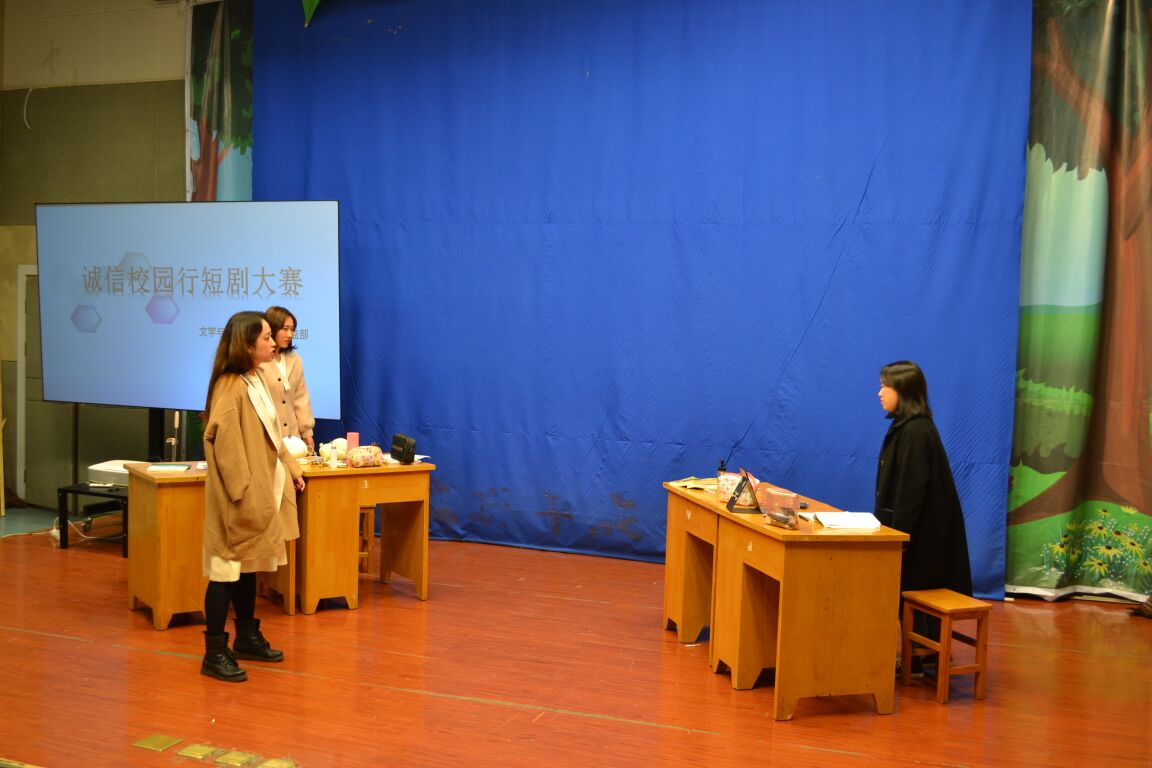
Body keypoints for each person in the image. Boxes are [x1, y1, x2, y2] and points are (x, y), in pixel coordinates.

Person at [200, 311, 306, 682]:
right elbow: (226, 446)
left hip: (259, 490)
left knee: (247, 565)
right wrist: (242, 492)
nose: (273, 342)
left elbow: (274, 435)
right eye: (265, 337)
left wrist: (291, 468)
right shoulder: (230, 386)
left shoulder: (256, 378)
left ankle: (246, 636)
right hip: (239, 498)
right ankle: (214, 652)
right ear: (247, 345)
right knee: (225, 570)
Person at [874, 361, 973, 670]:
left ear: (902, 390)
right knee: (904, 591)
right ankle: (920, 654)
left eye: (885, 386)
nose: (879, 392)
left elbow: (911, 491)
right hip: (915, 532)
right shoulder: (907, 426)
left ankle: (922, 655)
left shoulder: (916, 431)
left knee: (913, 590)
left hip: (922, 536)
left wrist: (898, 537)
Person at [261, 306, 316, 455]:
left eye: (292, 329)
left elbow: (301, 398)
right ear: (271, 329)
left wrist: (307, 433)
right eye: (285, 329)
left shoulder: (294, 359)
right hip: (267, 439)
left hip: (293, 440)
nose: (289, 334)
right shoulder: (259, 361)